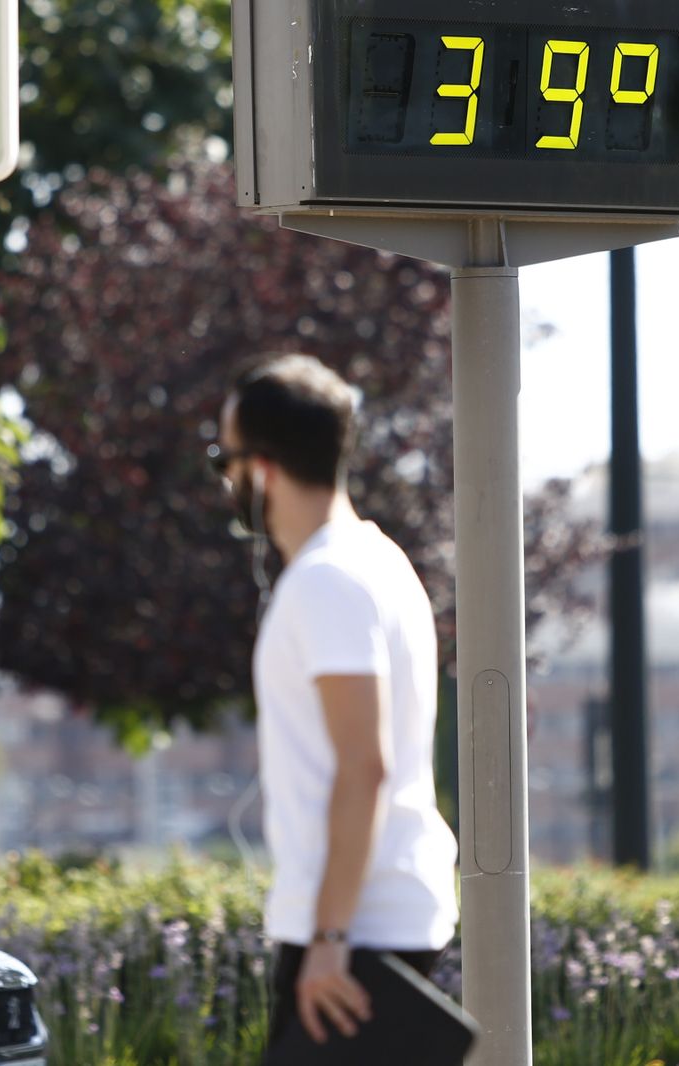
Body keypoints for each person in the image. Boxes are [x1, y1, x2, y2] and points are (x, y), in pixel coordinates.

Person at [209, 354, 460, 1055]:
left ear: (261, 468)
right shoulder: (376, 561)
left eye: (222, 460)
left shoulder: (328, 580)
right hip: (370, 920)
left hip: (356, 931)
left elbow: (364, 765)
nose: (225, 480)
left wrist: (328, 939)